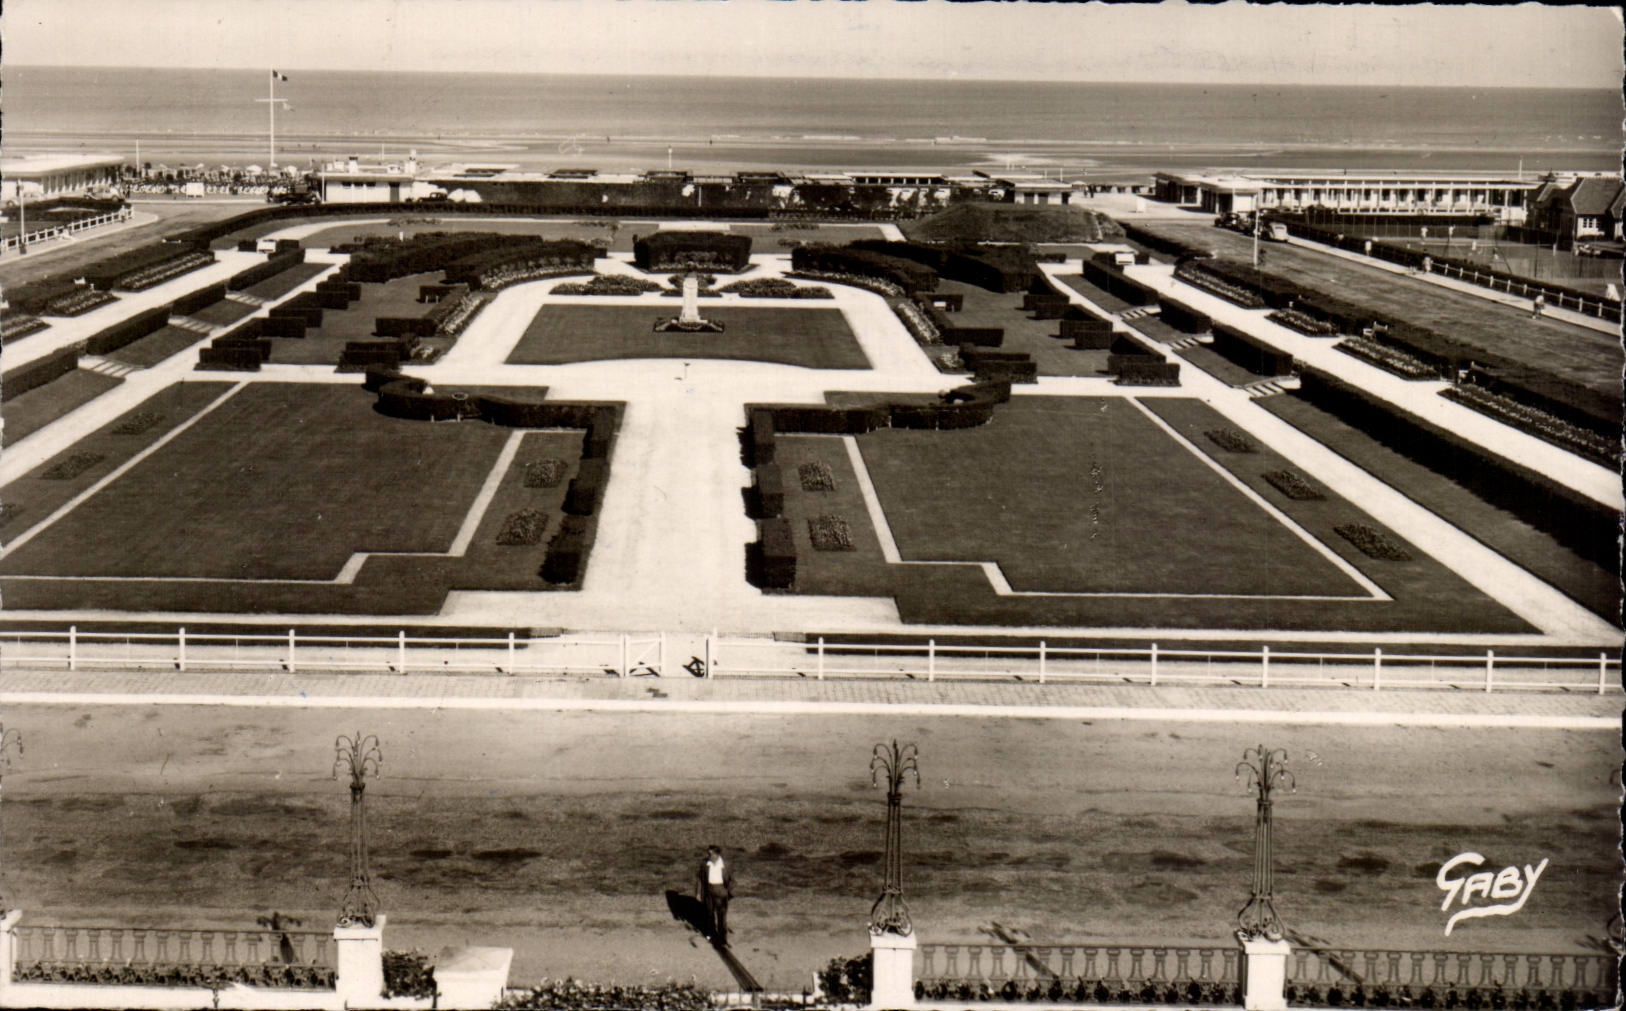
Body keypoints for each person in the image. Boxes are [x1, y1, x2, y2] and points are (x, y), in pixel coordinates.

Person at [695, 844, 734, 943]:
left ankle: (722, 938)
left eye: (711, 854)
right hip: (709, 891)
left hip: (721, 891)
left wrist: (728, 892)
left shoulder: (726, 864)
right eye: (708, 854)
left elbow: (732, 880)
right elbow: (700, 879)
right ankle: (710, 934)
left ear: (717, 855)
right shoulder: (705, 864)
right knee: (709, 914)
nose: (709, 856)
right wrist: (698, 893)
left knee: (721, 916)